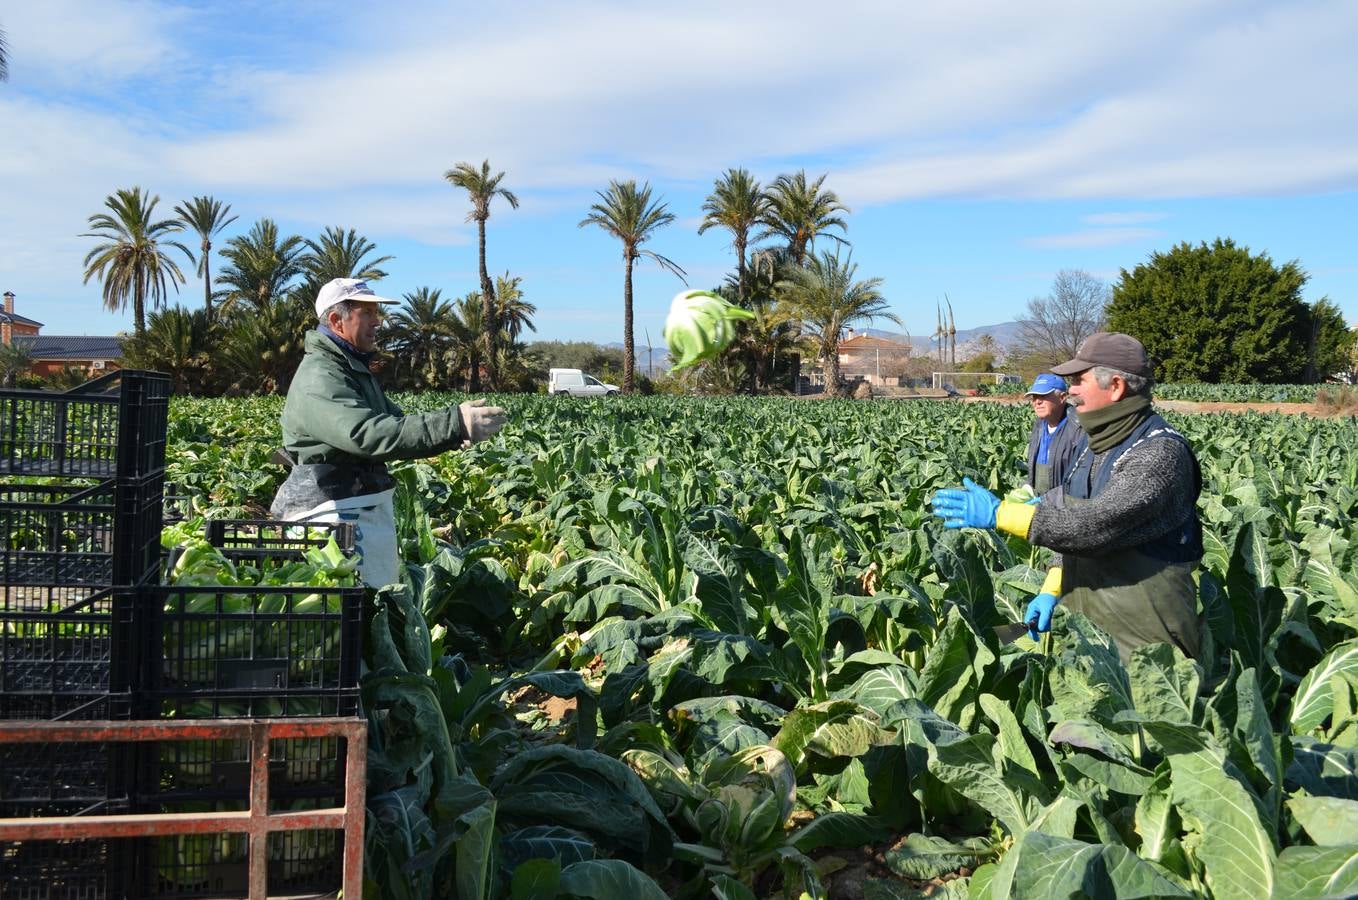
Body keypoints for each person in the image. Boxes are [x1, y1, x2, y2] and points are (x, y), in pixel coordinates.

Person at [930, 333, 1202, 661]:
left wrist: (1002, 514)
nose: (1069, 390)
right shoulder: (1094, 444)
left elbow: (1094, 525)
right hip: (1090, 627)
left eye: (1077, 380)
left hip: (1146, 646)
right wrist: (1051, 588)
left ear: (1116, 386)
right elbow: (1068, 509)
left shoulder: (1158, 453)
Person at [270, 277, 506, 588]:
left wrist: (453, 431)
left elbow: (395, 422)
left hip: (353, 508)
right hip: (331, 516)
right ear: (336, 320)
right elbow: (367, 434)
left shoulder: (350, 369)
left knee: (372, 610)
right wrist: (454, 423)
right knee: (355, 615)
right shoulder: (321, 375)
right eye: (366, 313)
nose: (377, 322)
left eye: (376, 313)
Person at [1023, 372, 1082, 495]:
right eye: (1034, 397)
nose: (1037, 402)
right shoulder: (1039, 425)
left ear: (1062, 397)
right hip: (1039, 502)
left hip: (1064, 507)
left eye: (1043, 396)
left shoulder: (1079, 428)